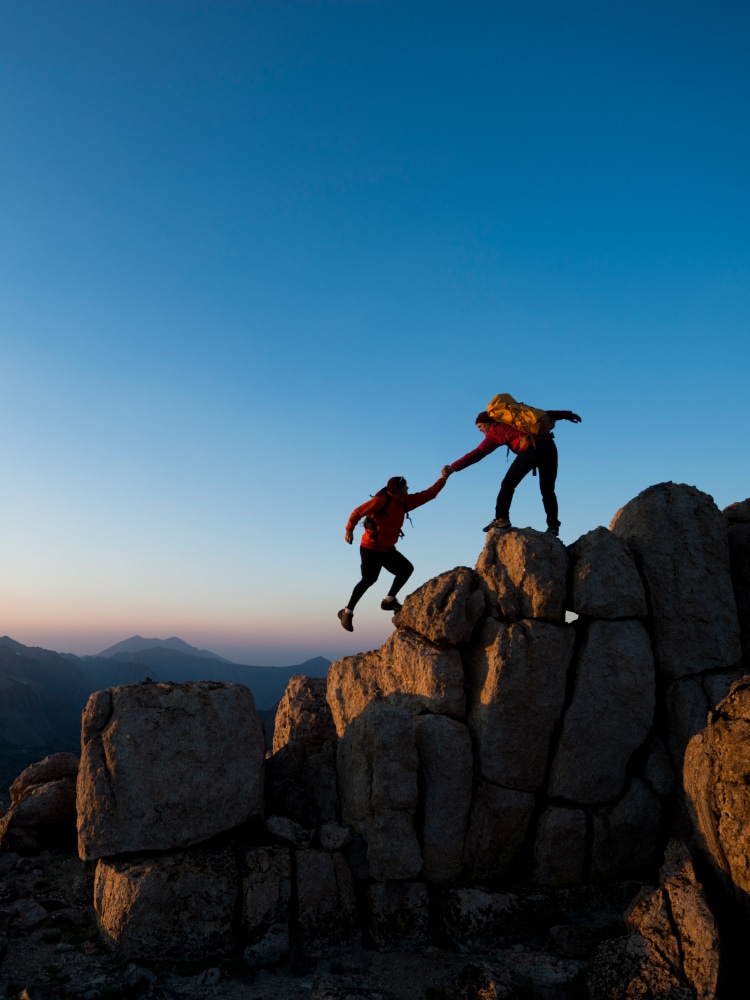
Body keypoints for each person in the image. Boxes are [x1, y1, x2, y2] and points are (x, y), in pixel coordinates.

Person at [442, 408, 581, 537]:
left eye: (480, 427)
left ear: (488, 423)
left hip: (531, 449)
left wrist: (453, 467)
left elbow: (478, 453)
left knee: (508, 484)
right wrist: (569, 415)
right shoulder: (515, 420)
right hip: (549, 447)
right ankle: (553, 525)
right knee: (548, 490)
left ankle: (501, 518)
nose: (480, 430)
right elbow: (545, 414)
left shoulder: (495, 431)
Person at [338, 472, 450, 632]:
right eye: (406, 486)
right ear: (397, 489)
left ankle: (388, 600)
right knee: (369, 579)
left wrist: (443, 479)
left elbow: (429, 495)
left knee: (406, 569)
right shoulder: (380, 501)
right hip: (370, 548)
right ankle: (346, 612)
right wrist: (349, 530)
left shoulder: (404, 502)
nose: (408, 488)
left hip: (387, 549)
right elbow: (357, 512)